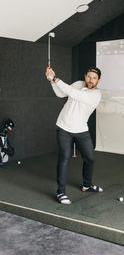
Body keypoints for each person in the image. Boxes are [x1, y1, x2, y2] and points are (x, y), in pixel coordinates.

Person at [45, 66, 102, 205]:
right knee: (64, 158)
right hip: (63, 127)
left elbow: (74, 94)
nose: (91, 80)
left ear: (98, 80)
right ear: (85, 76)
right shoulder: (78, 84)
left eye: (94, 78)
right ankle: (61, 192)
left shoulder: (96, 95)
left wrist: (55, 78)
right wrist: (51, 81)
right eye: (89, 76)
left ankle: (87, 185)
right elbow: (61, 94)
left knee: (90, 158)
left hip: (81, 130)